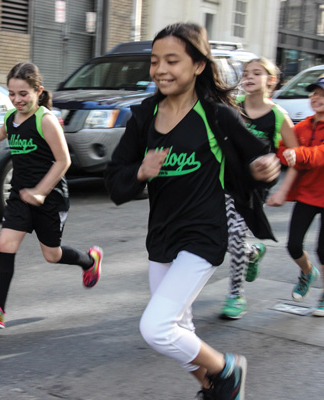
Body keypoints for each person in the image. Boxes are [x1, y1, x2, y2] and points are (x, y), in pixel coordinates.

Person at [105, 23, 280, 399]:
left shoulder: (217, 117)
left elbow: (256, 163)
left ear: (198, 65)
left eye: (172, 60)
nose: (161, 70)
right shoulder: (144, 116)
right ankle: (213, 387)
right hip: (162, 235)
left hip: (204, 234)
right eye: (155, 62)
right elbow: (115, 181)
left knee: (156, 327)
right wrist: (140, 171)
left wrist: (263, 168)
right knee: (178, 329)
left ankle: (227, 370)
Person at [0, 62, 102, 329]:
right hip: (20, 195)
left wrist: (41, 192)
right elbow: (3, 131)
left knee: (52, 254)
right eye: (12, 94)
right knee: (6, 244)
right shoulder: (11, 117)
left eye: (23, 94)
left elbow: (63, 162)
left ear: (38, 91)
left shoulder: (45, 120)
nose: (17, 100)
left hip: (50, 197)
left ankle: (89, 260)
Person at [220, 57, 298, 320]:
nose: (249, 76)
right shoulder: (232, 108)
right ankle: (252, 252)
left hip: (255, 188)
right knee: (224, 236)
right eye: (245, 73)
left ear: (271, 81)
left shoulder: (279, 116)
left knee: (234, 236)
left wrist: (283, 187)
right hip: (228, 180)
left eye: (257, 73)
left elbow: (295, 157)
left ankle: (236, 294)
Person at [268, 75, 324, 317]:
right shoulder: (303, 126)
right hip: (307, 195)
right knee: (293, 246)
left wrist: (298, 154)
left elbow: (319, 154)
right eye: (313, 93)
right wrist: (285, 154)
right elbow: (284, 147)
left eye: (321, 94)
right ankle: (307, 272)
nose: (316, 97)